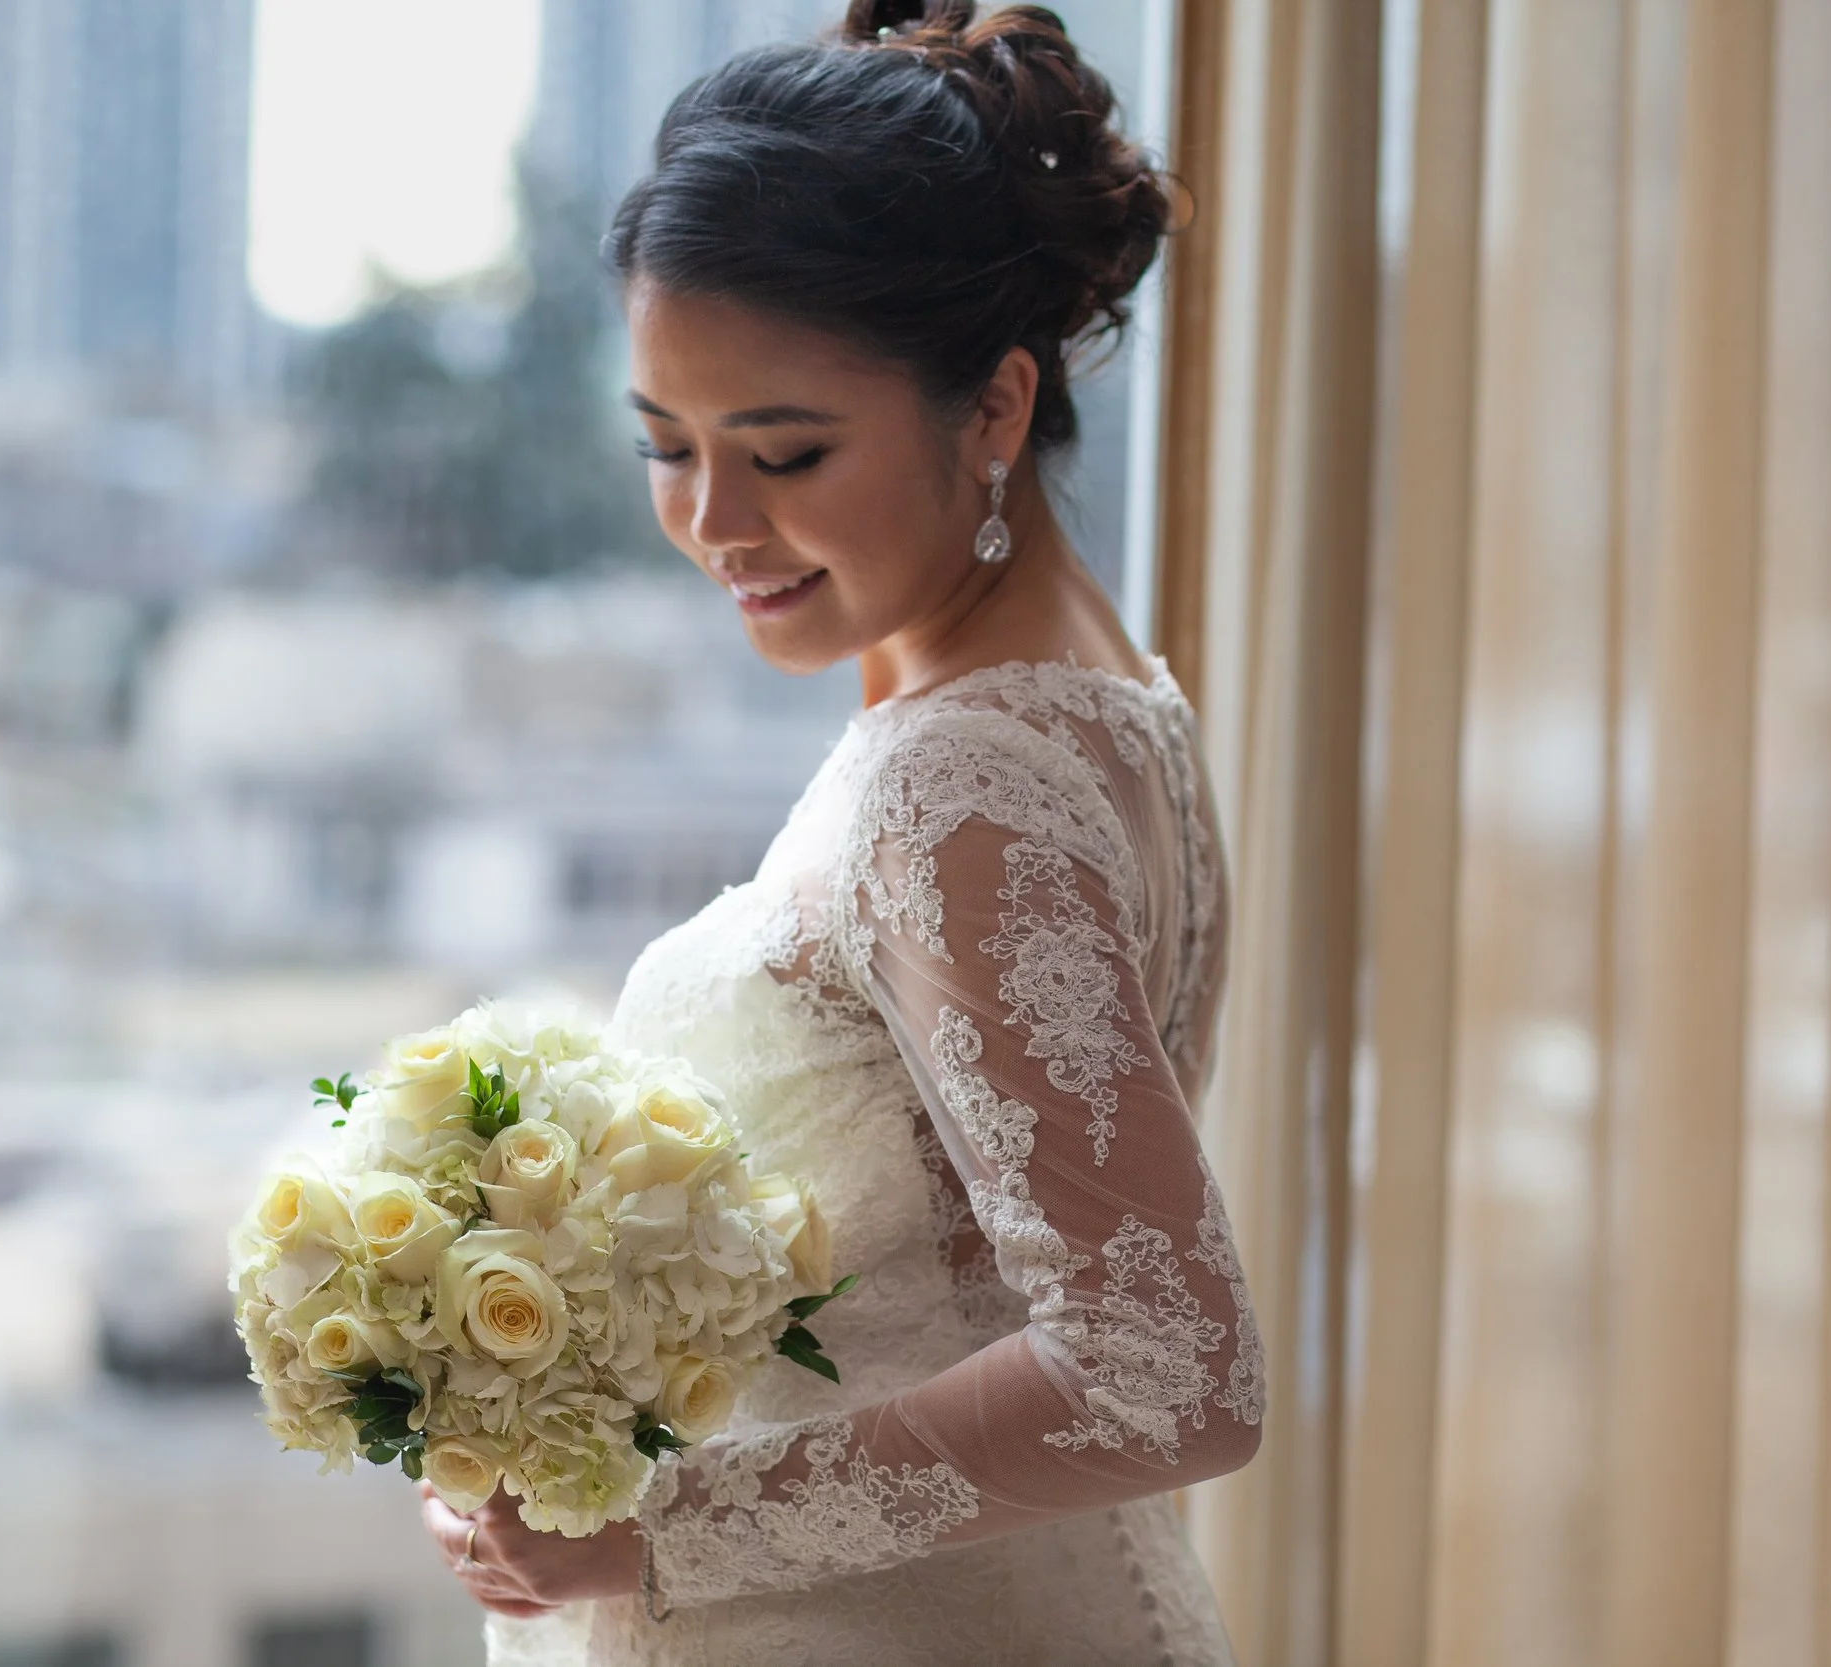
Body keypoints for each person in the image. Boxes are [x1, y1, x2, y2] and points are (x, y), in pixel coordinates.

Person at [418, 3, 1262, 1660]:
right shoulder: (1106, 706)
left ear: (997, 408)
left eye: (786, 452)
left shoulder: (953, 784)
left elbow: (1166, 1367)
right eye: (667, 447)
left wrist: (648, 1528)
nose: (717, 522)